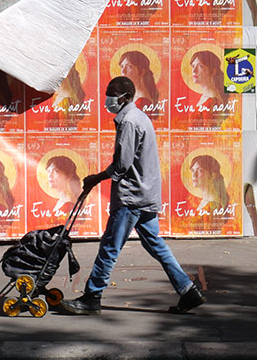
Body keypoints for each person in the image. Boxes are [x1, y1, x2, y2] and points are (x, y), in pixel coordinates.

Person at [61, 76, 205, 315]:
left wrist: (95, 178)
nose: (107, 99)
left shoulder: (128, 121)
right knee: (156, 245)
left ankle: (92, 296)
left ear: (126, 97)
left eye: (111, 94)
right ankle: (188, 291)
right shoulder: (140, 118)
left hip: (131, 197)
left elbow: (121, 165)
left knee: (109, 246)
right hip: (146, 194)